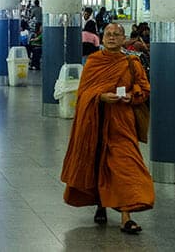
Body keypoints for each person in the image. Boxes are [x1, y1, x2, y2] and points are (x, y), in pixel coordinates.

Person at [61, 23, 153, 234]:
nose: (111, 38)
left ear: (123, 39)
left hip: (122, 123)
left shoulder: (132, 62)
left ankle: (126, 216)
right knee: (96, 161)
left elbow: (144, 88)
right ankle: (100, 204)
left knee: (125, 165)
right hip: (96, 121)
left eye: (116, 35)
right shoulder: (94, 62)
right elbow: (83, 94)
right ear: (102, 39)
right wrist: (100, 97)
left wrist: (132, 96)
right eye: (108, 35)